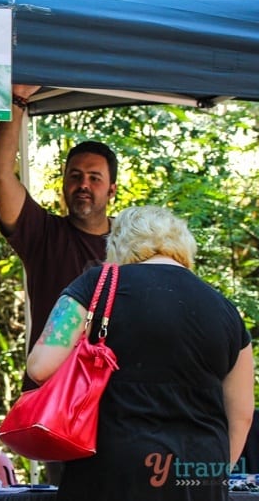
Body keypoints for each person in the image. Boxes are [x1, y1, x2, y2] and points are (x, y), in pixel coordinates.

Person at [26, 205, 254, 501]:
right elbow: (242, 415)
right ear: (182, 246)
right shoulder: (226, 310)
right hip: (199, 476)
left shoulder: (97, 286)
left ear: (118, 244)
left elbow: (40, 367)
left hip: (110, 471)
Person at [0, 84, 119, 393]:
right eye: (75, 176)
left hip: (112, 394)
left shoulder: (134, 244)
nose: (83, 184)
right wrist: (18, 99)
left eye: (94, 178)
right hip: (49, 394)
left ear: (112, 190)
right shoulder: (43, 235)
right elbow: (1, 174)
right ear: (63, 183)